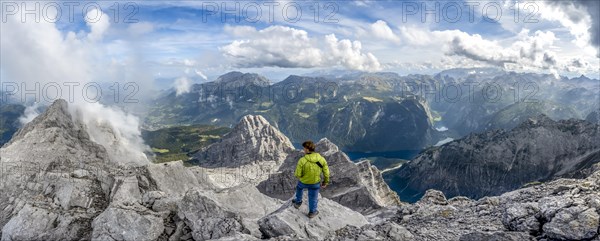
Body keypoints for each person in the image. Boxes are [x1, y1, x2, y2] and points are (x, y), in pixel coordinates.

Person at [292, 140, 330, 218]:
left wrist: (302, 177)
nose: (303, 150)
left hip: (303, 182)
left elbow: (297, 174)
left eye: (304, 148)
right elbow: (326, 173)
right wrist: (325, 182)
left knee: (299, 188)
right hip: (315, 183)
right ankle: (312, 212)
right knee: (313, 197)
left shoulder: (302, 160)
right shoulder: (321, 159)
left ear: (307, 149)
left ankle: (298, 202)